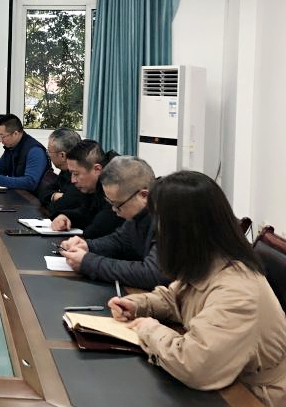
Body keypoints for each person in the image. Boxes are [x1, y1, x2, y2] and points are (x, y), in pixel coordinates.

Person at [108, 171, 286, 406]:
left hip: (251, 397)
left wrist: (150, 330)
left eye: (161, 223)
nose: (157, 232)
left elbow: (194, 365)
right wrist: (138, 304)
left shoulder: (238, 292)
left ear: (184, 230)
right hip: (227, 384)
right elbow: (176, 298)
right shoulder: (210, 262)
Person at [59, 156, 168, 290]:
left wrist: (88, 263)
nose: (114, 210)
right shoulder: (139, 214)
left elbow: (152, 274)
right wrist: (87, 246)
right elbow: (120, 241)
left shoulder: (169, 215)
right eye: (110, 203)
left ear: (143, 195)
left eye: (117, 204)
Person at [49, 139, 123, 238]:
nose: (72, 180)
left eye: (76, 174)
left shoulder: (116, 185)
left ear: (97, 169)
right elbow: (87, 212)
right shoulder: (92, 184)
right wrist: (67, 217)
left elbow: (96, 230)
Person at [0, 114, 55, 195]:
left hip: (33, 200)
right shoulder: (12, 147)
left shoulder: (35, 151)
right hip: (18, 195)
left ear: (15, 134)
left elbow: (30, 182)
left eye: (3, 136)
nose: (0, 140)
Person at [41, 127, 85, 213]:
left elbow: (57, 208)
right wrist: (55, 196)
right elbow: (43, 192)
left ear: (62, 155)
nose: (48, 155)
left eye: (49, 151)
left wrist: (59, 199)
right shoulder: (65, 170)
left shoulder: (80, 177)